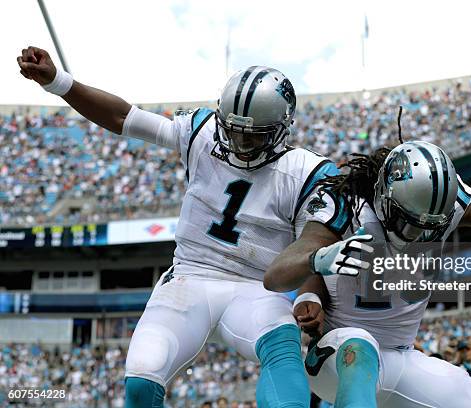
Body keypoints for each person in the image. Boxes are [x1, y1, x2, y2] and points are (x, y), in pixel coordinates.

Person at [18, 46, 350, 408]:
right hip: (190, 276)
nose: (239, 143)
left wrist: (309, 296)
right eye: (233, 130)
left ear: (283, 129)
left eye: (253, 136)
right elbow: (123, 117)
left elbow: (312, 251)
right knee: (141, 379)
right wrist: (58, 82)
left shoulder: (306, 172)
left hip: (256, 288)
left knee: (284, 358)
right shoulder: (202, 132)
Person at [264, 140, 471, 407]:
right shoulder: (345, 206)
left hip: (401, 357)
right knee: (360, 345)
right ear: (384, 196)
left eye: (431, 227)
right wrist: (319, 259)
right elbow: (277, 274)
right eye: (409, 223)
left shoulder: (449, 204)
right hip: (335, 358)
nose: (420, 235)